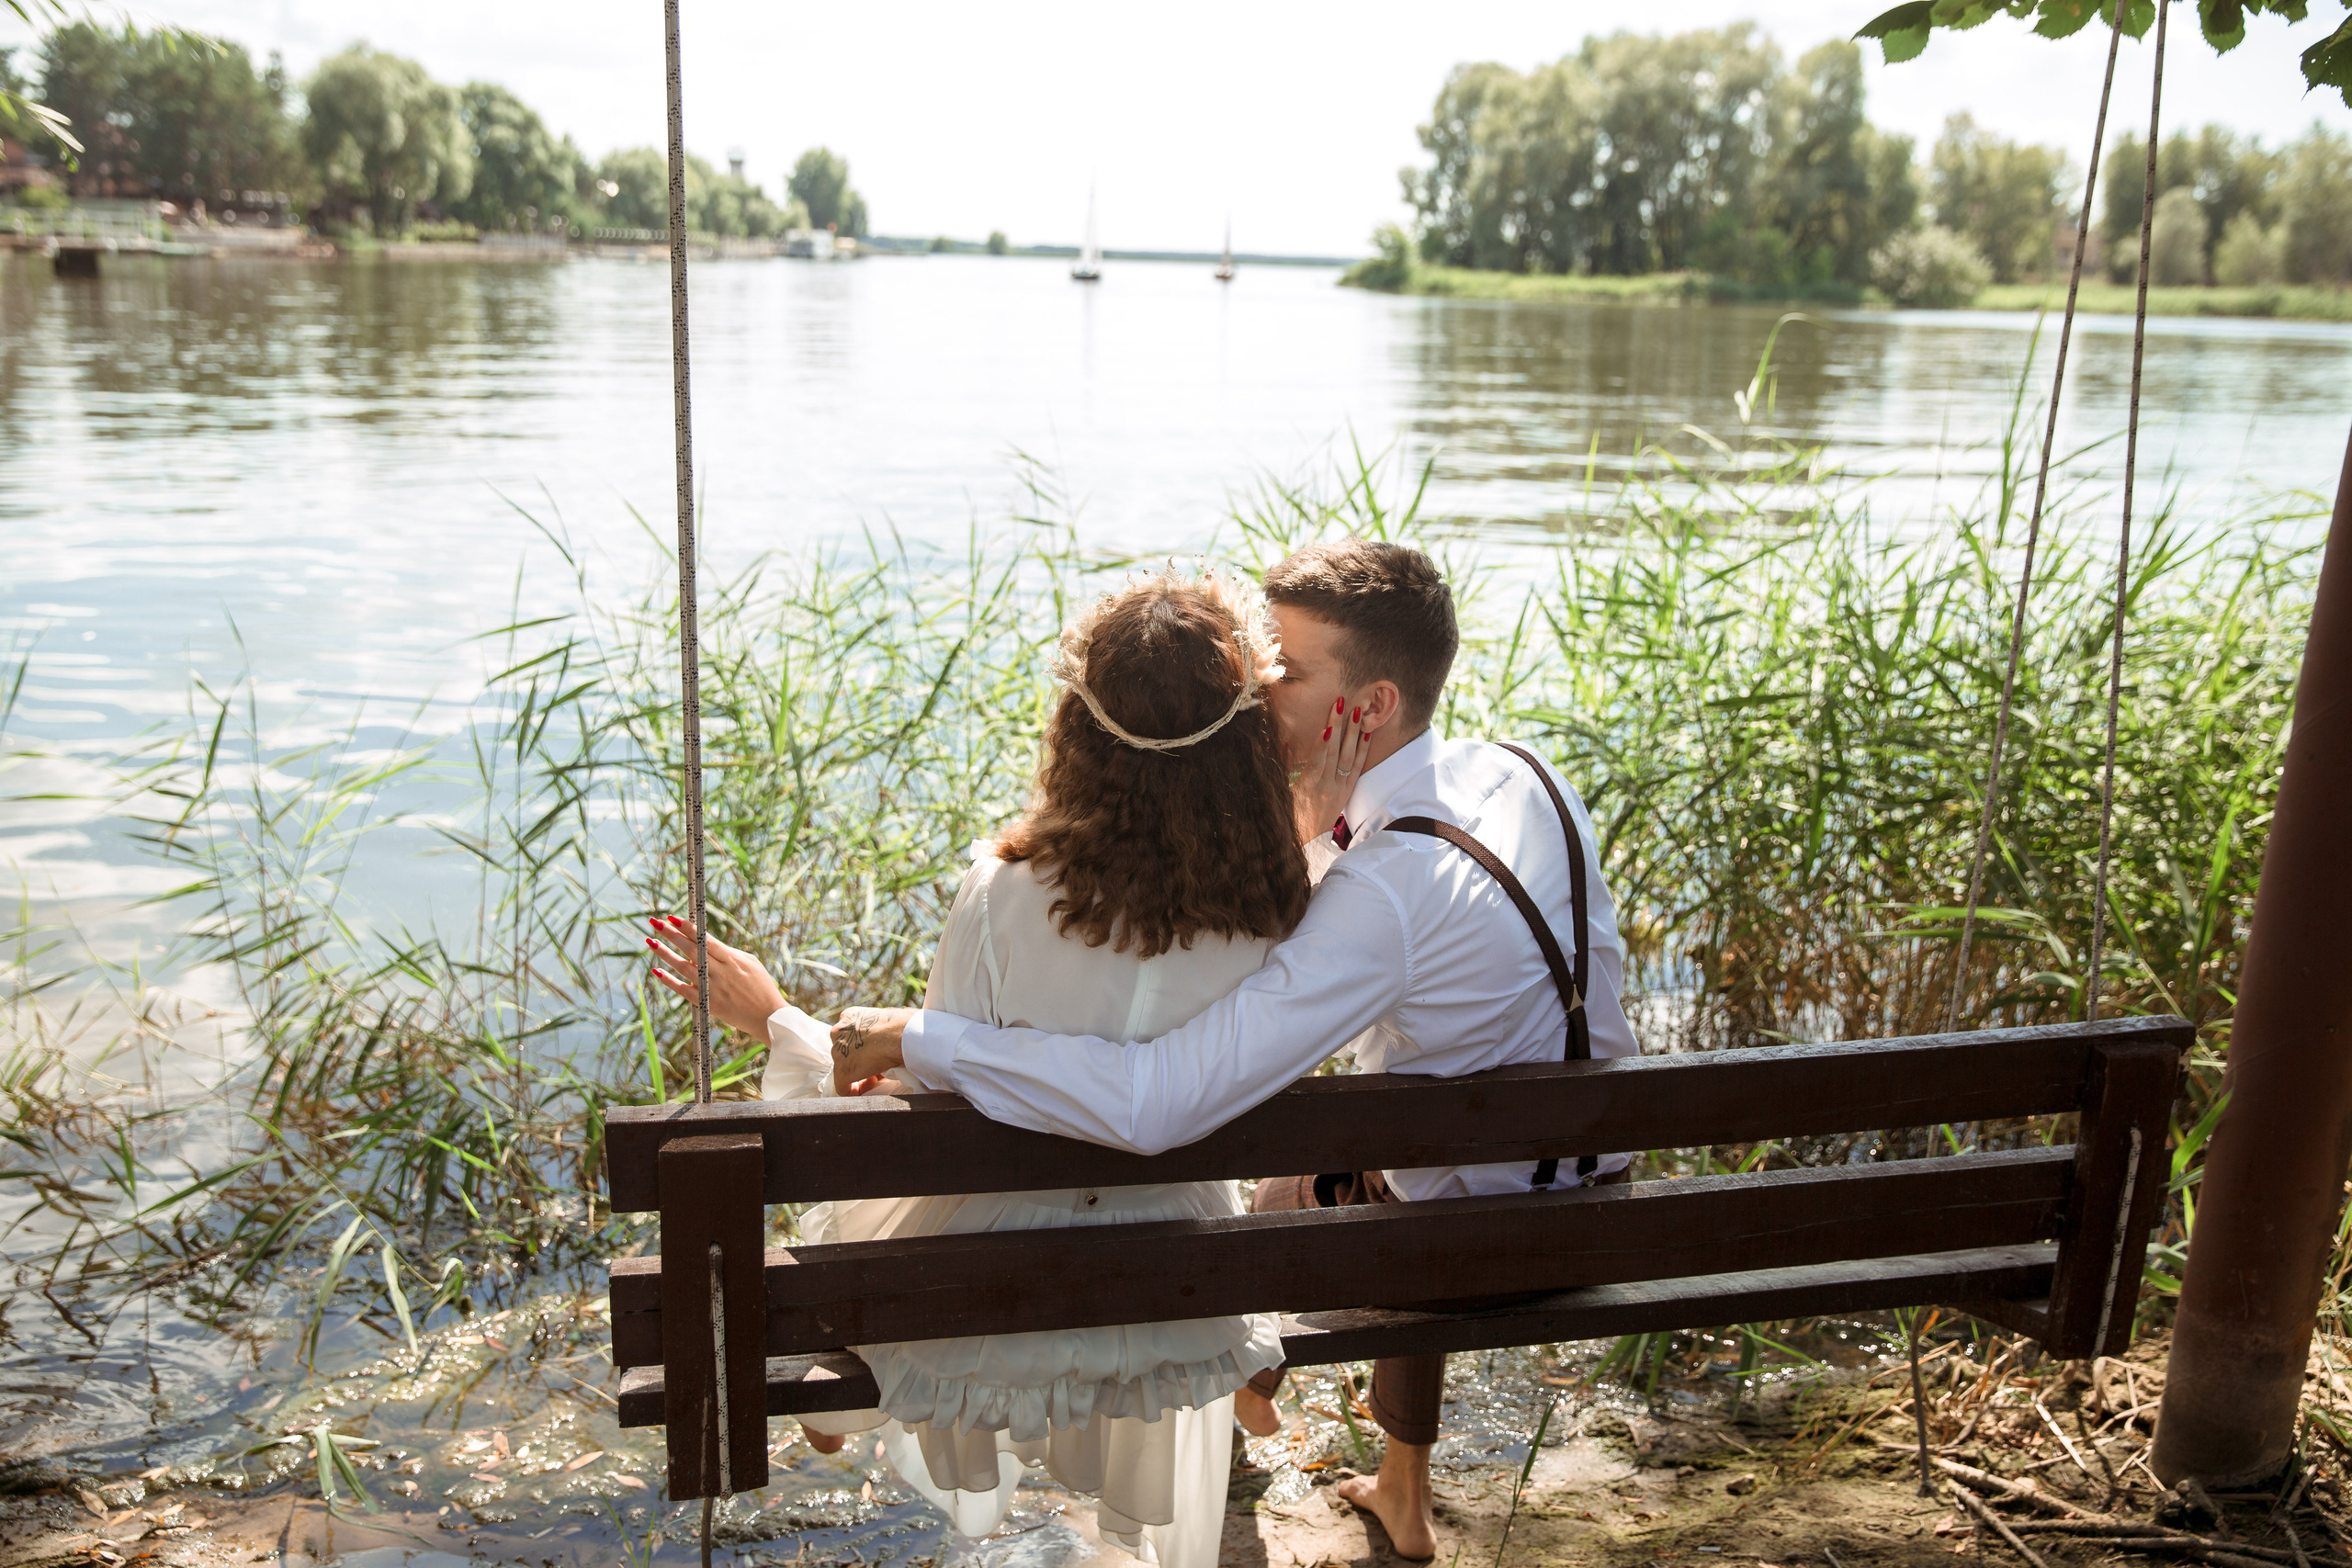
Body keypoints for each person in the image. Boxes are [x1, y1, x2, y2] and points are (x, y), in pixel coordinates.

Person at [824, 539, 1640, 1562]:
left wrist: (926, 1035)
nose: (1254, 693)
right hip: (1603, 1189)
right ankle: (1388, 1477)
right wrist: (1307, 833)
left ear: (1370, 707)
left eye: (1282, 670)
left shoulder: (1381, 889)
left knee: (1282, 1199)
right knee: (1376, 1148)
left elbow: (1156, 1104)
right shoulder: (1521, 771)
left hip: (1488, 1242)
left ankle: (1263, 1405)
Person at [647, 569, 1304, 1568]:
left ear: (1076, 731)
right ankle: (1245, 1390)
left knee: (851, 1231)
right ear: (1248, 734)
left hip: (986, 1278)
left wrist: (781, 1021)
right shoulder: (1285, 904)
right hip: (1183, 1273)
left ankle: (837, 1411)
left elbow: (937, 1088)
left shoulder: (1004, 892)